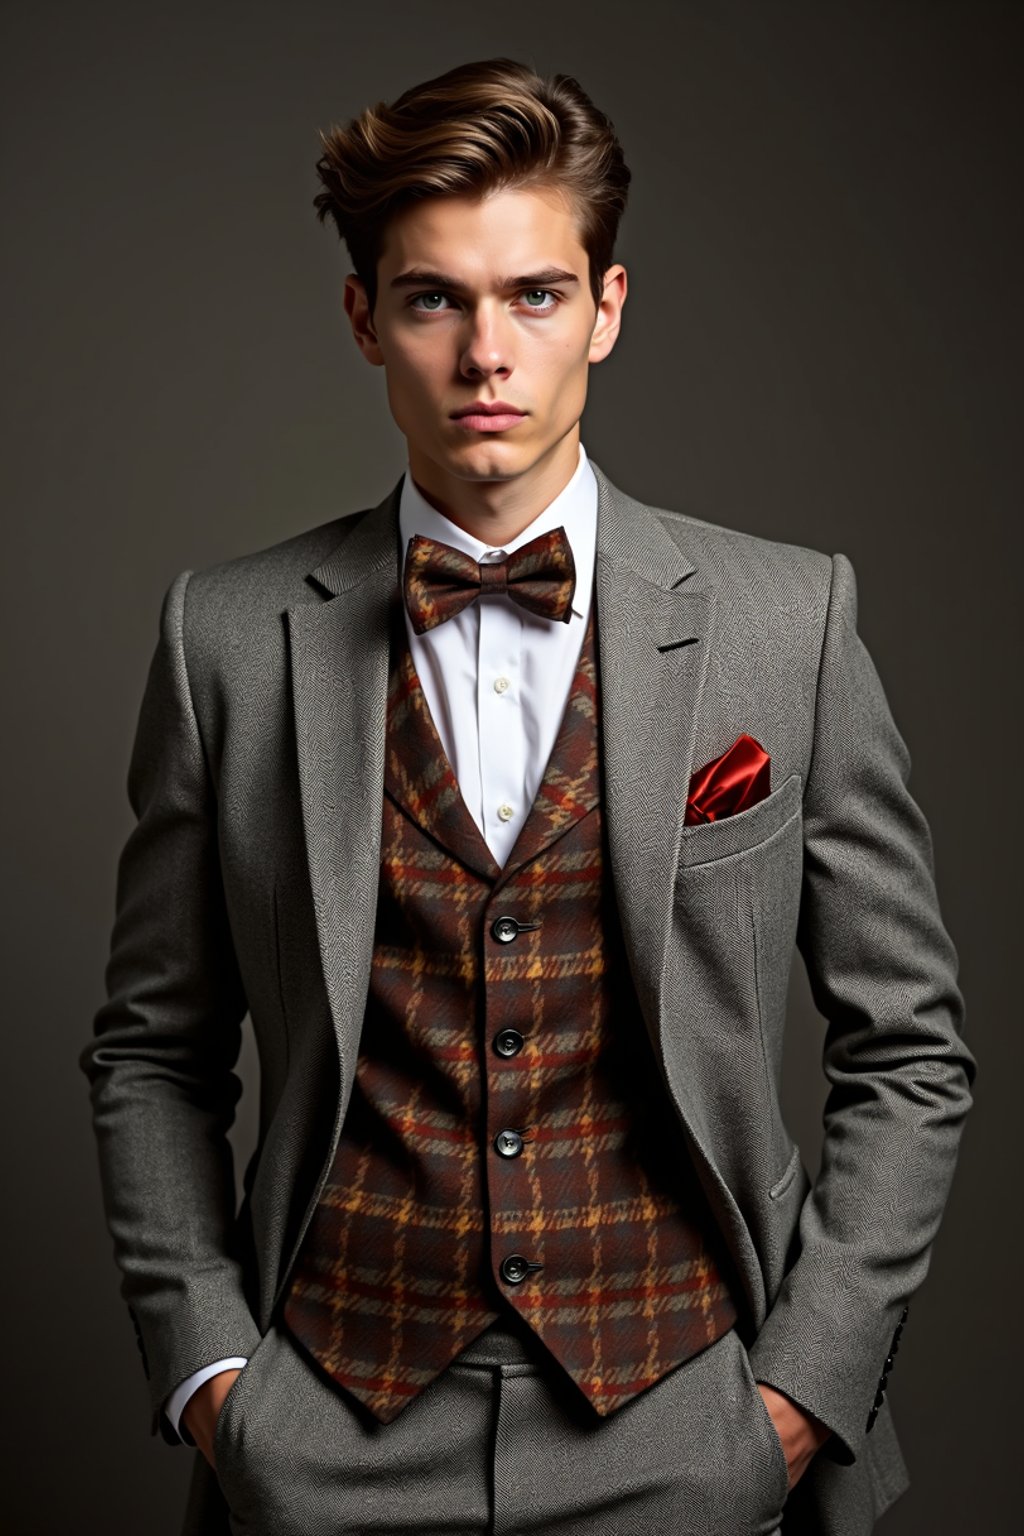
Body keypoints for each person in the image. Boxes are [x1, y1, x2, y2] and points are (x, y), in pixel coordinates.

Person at [81, 56, 976, 1536]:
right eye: (435, 298)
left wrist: (800, 1399)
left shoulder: (784, 622)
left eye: (536, 296)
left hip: (687, 1425)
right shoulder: (228, 640)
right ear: (367, 319)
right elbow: (152, 1050)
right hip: (328, 1434)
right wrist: (215, 1379)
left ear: (607, 310)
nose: (487, 352)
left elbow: (911, 1049)